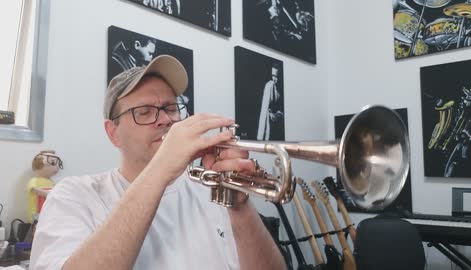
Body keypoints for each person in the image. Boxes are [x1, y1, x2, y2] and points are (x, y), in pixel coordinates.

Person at [30, 55, 287, 270]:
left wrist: (240, 207)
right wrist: (162, 168)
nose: (165, 120)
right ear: (113, 133)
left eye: (171, 108)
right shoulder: (75, 195)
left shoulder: (210, 189)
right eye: (144, 112)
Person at [257, 63, 284, 141]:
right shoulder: (268, 86)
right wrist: (270, 113)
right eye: (273, 75)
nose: (274, 78)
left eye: (276, 76)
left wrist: (279, 114)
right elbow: (264, 108)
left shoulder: (282, 87)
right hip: (270, 121)